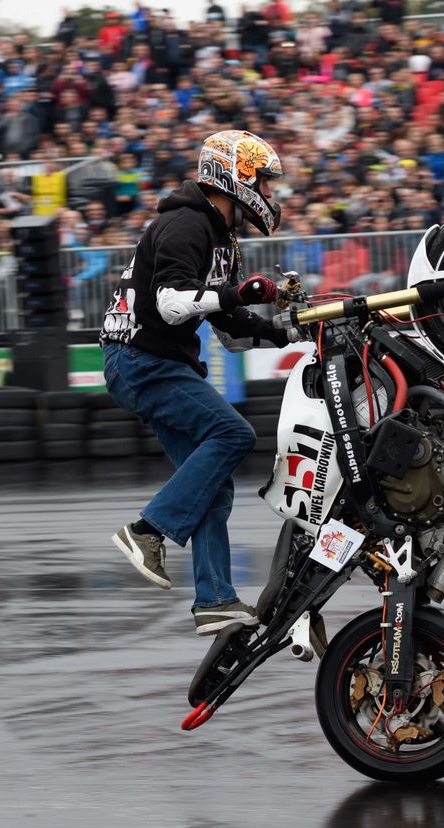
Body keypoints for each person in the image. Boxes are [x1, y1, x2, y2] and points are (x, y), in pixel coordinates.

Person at [100, 129, 295, 636]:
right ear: (236, 177)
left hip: (154, 363)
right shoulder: (186, 224)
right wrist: (235, 295)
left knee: (211, 485)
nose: (272, 196)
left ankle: (214, 601)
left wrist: (288, 332)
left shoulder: (219, 236)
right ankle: (146, 531)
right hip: (142, 361)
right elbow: (170, 302)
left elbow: (228, 332)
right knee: (233, 435)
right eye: (266, 184)